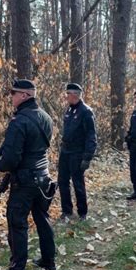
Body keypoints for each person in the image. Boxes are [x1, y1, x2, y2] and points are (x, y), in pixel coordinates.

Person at [0, 79, 56, 270]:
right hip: (44, 178)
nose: (11, 96)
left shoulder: (19, 122)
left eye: (14, 93)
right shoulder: (46, 117)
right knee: (43, 220)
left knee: (17, 224)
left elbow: (10, 159)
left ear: (25, 95)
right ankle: (48, 261)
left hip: (25, 181)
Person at [58, 83, 97, 220]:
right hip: (66, 151)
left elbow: (91, 135)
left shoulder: (86, 111)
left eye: (68, 94)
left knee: (77, 182)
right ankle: (67, 211)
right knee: (62, 181)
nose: (66, 96)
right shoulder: (69, 110)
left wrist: (87, 157)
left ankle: (82, 213)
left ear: (74, 94)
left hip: (78, 152)